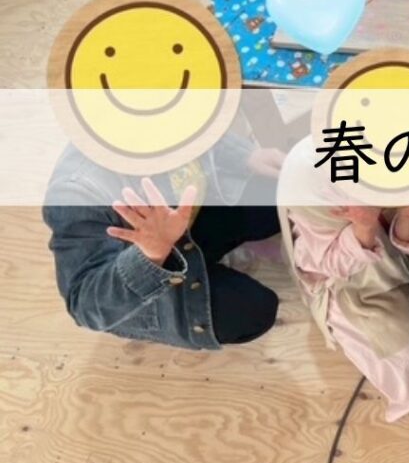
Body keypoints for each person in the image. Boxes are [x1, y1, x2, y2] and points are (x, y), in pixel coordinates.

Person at [43, 135, 284, 350]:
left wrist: (245, 156)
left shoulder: (170, 116)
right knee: (252, 312)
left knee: (282, 193)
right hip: (142, 274)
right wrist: (150, 254)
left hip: (182, 224)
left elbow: (203, 133)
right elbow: (84, 305)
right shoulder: (76, 190)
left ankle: (202, 255)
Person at [278, 138, 409, 423]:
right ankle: (405, 392)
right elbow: (329, 263)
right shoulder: (311, 198)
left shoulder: (397, 157)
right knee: (403, 348)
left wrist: (408, 214)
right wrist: (364, 227)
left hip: (403, 263)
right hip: (350, 285)